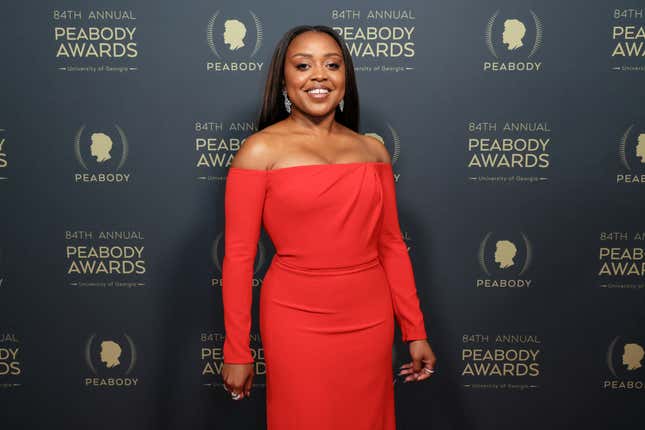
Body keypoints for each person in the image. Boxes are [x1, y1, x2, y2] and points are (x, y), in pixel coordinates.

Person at [220, 24, 437, 429]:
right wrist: (237, 350)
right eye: (303, 65)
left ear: (345, 77)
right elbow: (238, 256)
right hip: (293, 316)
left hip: (369, 316)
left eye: (332, 65)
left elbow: (390, 244)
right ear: (284, 79)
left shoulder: (373, 150)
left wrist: (415, 329)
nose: (319, 75)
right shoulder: (259, 151)